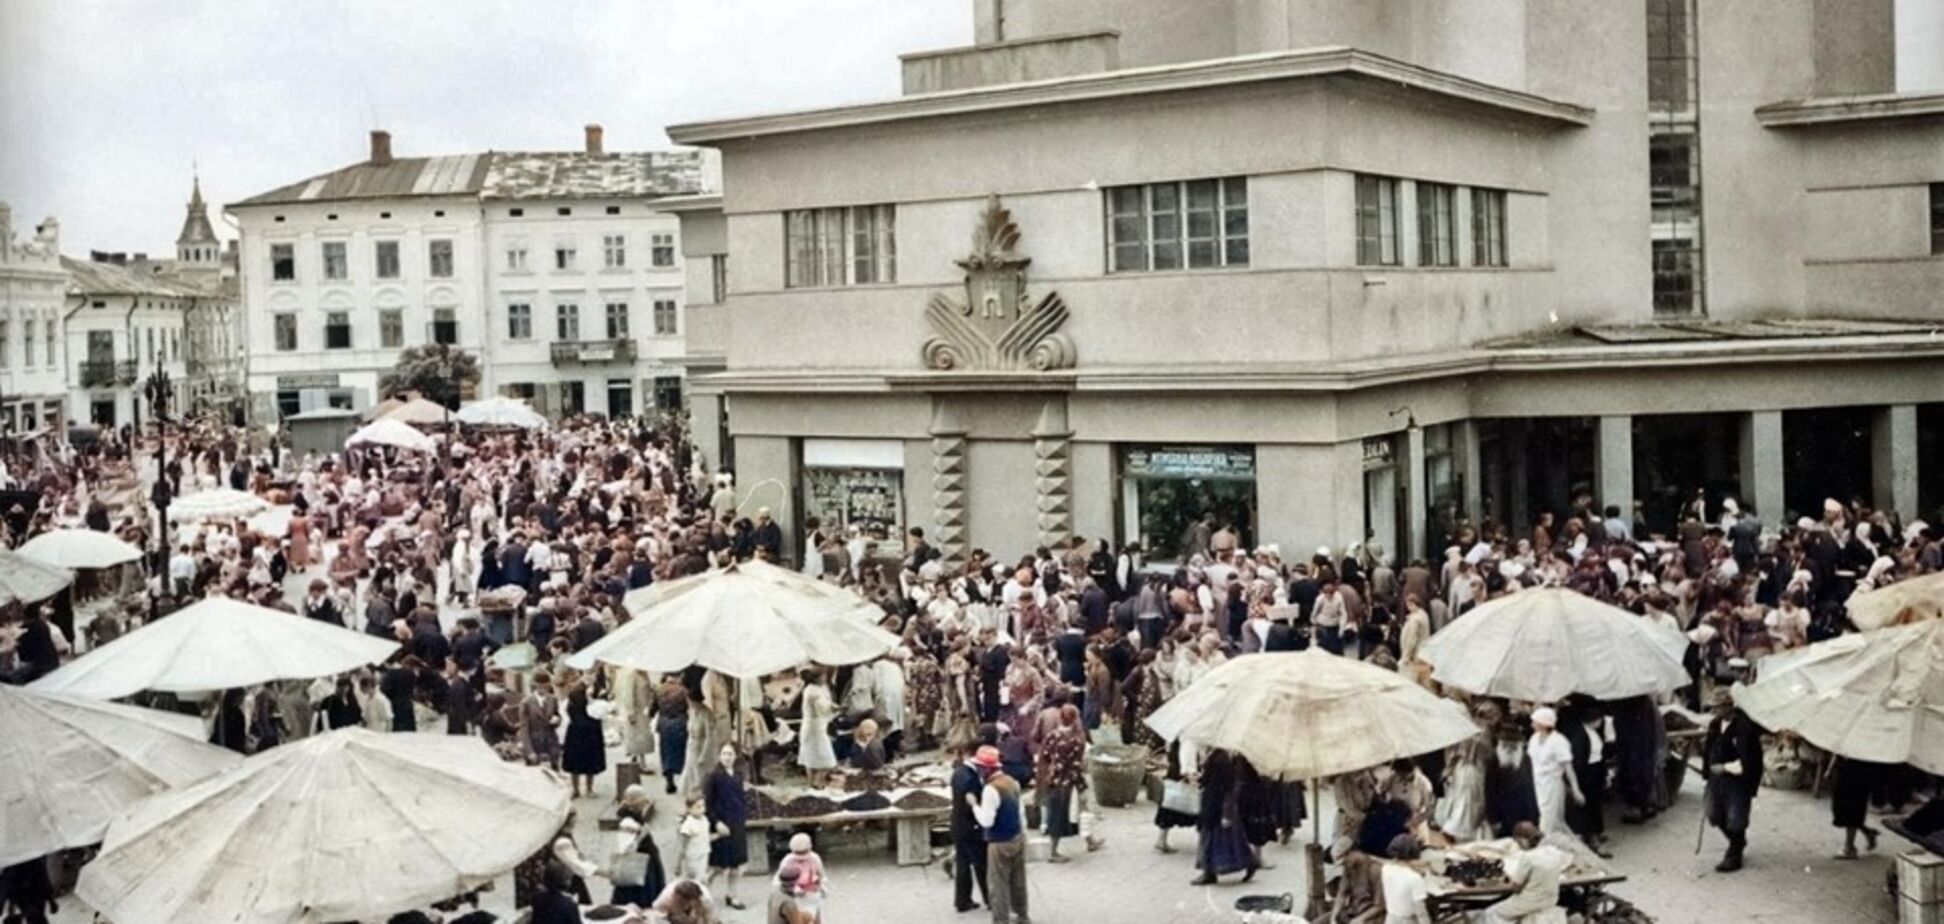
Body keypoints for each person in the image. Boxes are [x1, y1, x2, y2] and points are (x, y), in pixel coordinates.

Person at [1702, 689, 1764, 872]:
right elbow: (1709, 749)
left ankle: (1734, 853)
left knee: (1736, 817)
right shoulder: (1715, 724)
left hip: (1738, 781)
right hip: (1717, 779)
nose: (1715, 711)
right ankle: (1738, 841)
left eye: (1718, 707)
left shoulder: (1744, 728)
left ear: (1729, 707)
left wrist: (1726, 768)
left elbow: (1749, 760)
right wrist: (1708, 772)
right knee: (1714, 813)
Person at [969, 745, 1030, 924]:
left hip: (999, 841)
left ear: (988, 769)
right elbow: (1021, 811)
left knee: (998, 884)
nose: (979, 771)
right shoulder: (1012, 782)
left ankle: (1000, 919)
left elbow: (987, 821)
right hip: (1017, 836)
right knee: (1018, 881)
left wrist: (974, 805)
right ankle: (1022, 915)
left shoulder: (990, 790)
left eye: (980, 768)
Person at [1192, 749, 1257, 885]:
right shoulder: (1215, 755)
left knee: (1213, 838)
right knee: (1228, 838)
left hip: (1217, 804)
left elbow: (1228, 786)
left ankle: (1209, 872)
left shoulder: (1221, 758)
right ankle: (1248, 862)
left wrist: (1226, 812)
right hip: (1213, 802)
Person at [1484, 822, 1570, 923]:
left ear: (1523, 840)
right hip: (1550, 900)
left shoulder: (1528, 857)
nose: (1519, 845)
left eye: (1518, 842)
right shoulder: (1554, 852)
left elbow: (1516, 887)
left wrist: (1511, 877)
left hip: (1530, 902)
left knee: (1491, 912)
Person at [1035, 703, 1087, 862]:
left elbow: (1045, 755)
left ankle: (1054, 849)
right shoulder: (1076, 740)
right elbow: (1077, 765)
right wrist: (1081, 785)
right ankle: (1053, 853)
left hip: (1053, 779)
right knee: (1060, 816)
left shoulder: (1052, 735)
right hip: (1067, 782)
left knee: (1053, 813)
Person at [704, 745, 750, 909]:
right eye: (724, 754)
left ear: (735, 756)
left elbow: (740, 798)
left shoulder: (738, 775)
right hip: (721, 824)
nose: (727, 757)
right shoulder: (713, 776)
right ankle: (704, 894)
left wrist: (743, 815)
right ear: (719, 756)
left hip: (737, 823)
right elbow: (707, 804)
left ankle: (732, 895)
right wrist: (716, 822)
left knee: (736, 865)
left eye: (730, 754)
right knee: (716, 865)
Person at [949, 743, 992, 913]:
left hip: (958, 823)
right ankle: (990, 898)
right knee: (981, 863)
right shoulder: (969, 777)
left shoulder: (959, 772)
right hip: (971, 825)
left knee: (963, 863)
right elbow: (970, 799)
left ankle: (962, 900)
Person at [1525, 707, 1580, 838]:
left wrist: (1575, 789)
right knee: (1548, 817)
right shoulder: (1534, 738)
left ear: (1543, 724)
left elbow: (1568, 767)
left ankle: (1546, 846)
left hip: (1552, 784)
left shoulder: (1559, 741)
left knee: (1549, 820)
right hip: (1538, 784)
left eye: (1535, 722)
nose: (1532, 725)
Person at [1832, 757, 1884, 860]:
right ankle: (1868, 832)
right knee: (1840, 806)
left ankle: (1849, 847)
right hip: (1846, 759)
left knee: (1853, 804)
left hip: (1861, 763)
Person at [562, 680, 606, 798]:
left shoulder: (595, 691)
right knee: (579, 761)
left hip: (584, 730)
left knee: (585, 761)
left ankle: (584, 788)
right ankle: (581, 789)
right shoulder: (576, 694)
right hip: (583, 730)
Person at [797, 669, 838, 786]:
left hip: (812, 725)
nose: (825, 678)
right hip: (815, 727)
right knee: (826, 759)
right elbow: (823, 708)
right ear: (816, 678)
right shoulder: (813, 692)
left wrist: (833, 706)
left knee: (810, 756)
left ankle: (812, 783)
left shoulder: (813, 688)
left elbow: (827, 704)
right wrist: (837, 709)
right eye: (823, 676)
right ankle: (816, 781)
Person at [1381, 834, 1433, 924]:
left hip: (1391, 917)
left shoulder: (1386, 869)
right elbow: (1421, 912)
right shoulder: (1414, 878)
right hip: (1408, 920)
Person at [676, 798, 713, 880]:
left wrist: (720, 835)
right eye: (698, 807)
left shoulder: (704, 820)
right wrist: (678, 865)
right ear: (689, 809)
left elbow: (705, 837)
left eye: (703, 806)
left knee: (701, 879)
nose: (702, 809)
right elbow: (682, 846)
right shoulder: (688, 825)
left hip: (704, 854)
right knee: (696, 881)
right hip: (693, 858)